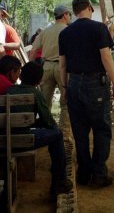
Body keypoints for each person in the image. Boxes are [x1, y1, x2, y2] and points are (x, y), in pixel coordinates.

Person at [59, 0, 114, 188]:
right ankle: (99, 174)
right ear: (90, 8)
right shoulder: (99, 28)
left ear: (75, 11)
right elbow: (106, 57)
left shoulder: (65, 33)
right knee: (101, 129)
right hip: (95, 83)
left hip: (74, 82)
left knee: (80, 131)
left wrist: (65, 87)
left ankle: (84, 174)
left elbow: (62, 64)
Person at [0, 57, 72, 195]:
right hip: (23, 141)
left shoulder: (9, 91)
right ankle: (59, 181)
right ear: (39, 81)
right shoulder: (35, 93)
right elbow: (49, 122)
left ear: (21, 76)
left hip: (4, 139)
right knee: (57, 134)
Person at [29, 5, 71, 127]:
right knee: (66, 103)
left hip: (46, 67)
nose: (69, 17)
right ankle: (65, 134)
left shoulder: (45, 31)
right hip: (63, 68)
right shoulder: (68, 30)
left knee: (44, 103)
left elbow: (33, 50)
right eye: (69, 14)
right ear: (64, 15)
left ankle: (46, 132)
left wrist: (31, 67)